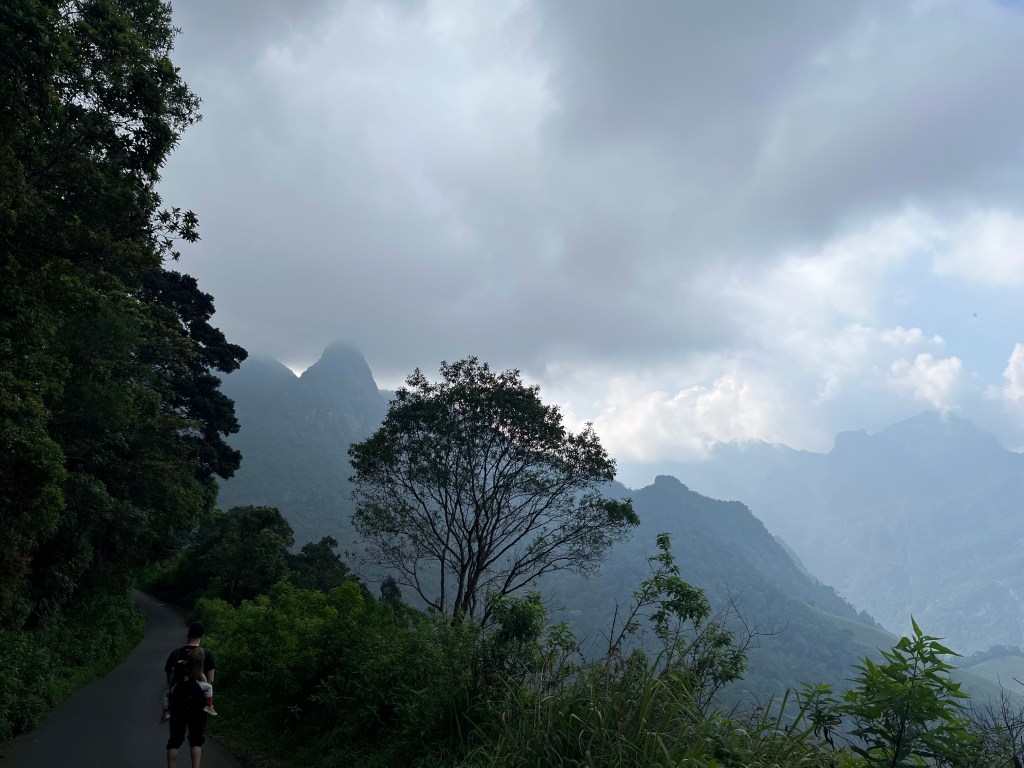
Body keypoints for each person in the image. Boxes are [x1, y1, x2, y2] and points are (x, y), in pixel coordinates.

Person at [165, 622, 217, 768]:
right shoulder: (206, 654)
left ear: (188, 634)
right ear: (202, 636)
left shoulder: (175, 654)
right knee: (196, 740)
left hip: (178, 699)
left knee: (174, 740)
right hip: (198, 702)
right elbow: (211, 680)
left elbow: (169, 679)